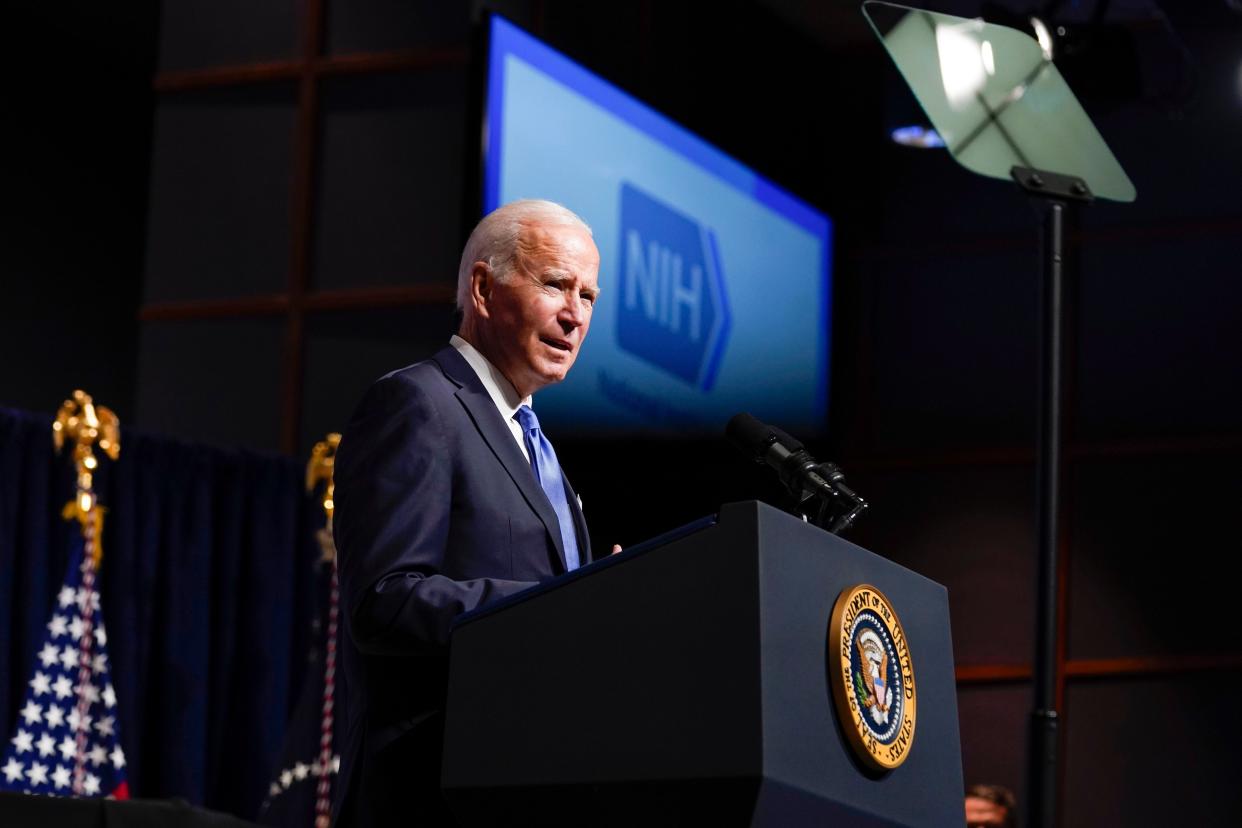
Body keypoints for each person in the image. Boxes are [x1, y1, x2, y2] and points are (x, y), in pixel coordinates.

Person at [330, 199, 603, 827]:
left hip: (523, 785)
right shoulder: (419, 404)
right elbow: (385, 602)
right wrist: (558, 602)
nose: (575, 315)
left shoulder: (538, 447)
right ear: (483, 289)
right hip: (431, 794)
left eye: (589, 296)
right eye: (556, 285)